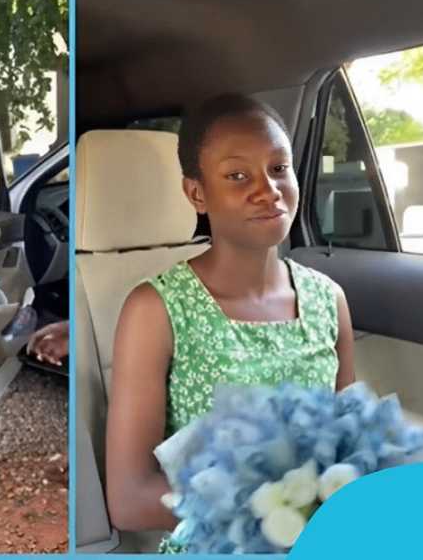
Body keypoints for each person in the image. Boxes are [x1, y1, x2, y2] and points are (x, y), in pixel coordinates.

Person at [103, 94, 355, 552]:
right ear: (197, 193)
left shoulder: (328, 301)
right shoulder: (155, 310)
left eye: (279, 168)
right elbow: (128, 498)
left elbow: (348, 444)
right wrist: (277, 509)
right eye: (238, 175)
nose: (268, 189)